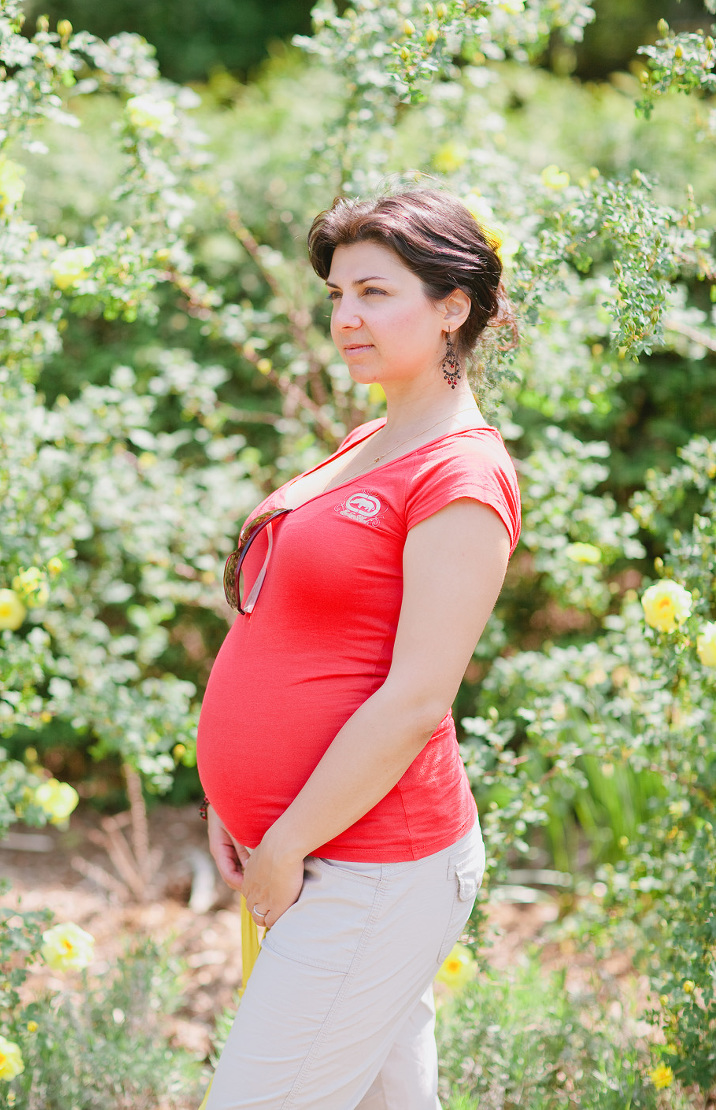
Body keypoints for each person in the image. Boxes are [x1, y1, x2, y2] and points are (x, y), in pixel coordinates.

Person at [196, 187, 521, 1110]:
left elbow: (417, 699)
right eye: (337, 295)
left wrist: (287, 838)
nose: (346, 318)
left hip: (370, 865)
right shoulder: (375, 437)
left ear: (453, 305)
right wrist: (243, 806)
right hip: (314, 849)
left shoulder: (459, 474)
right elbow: (293, 624)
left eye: (375, 293)